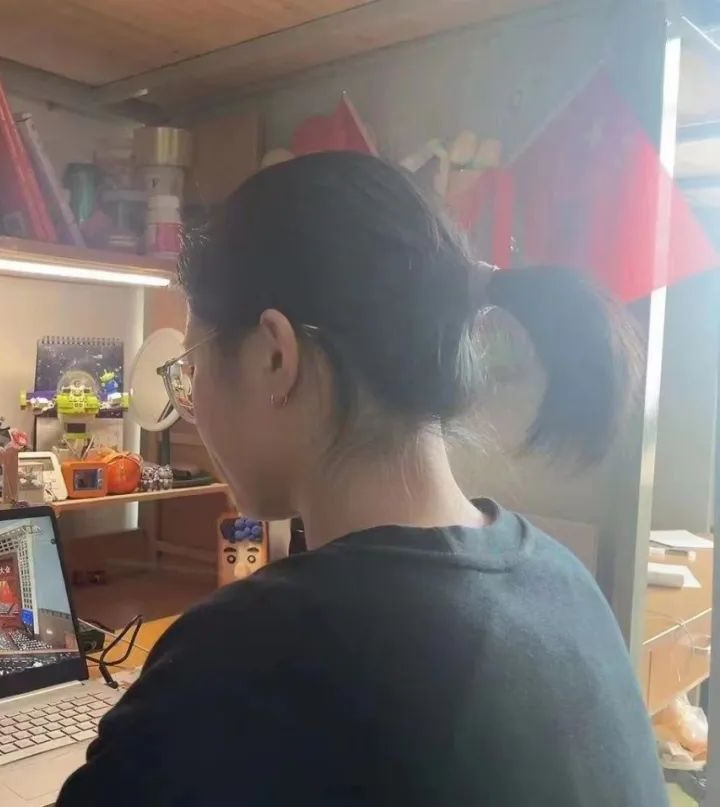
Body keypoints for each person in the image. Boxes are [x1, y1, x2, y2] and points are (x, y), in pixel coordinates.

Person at [58, 152, 665, 806]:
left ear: (275, 356)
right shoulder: (565, 584)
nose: (192, 404)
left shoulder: (248, 652)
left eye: (191, 368)